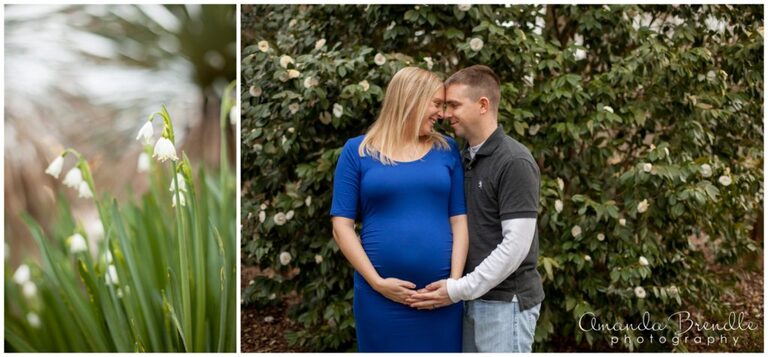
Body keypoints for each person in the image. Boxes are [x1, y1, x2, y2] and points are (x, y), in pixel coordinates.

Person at [330, 67, 468, 352]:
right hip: (378, 299)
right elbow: (341, 226)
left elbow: (459, 221)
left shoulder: (448, 149)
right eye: (436, 104)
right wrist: (378, 283)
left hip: (440, 300)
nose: (440, 114)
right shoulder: (357, 151)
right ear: (411, 100)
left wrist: (452, 286)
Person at [407, 65, 544, 352]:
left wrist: (457, 289)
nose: (445, 114)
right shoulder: (462, 158)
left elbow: (515, 247)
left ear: (483, 105)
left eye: (454, 105)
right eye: (444, 106)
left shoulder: (513, 161)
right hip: (470, 298)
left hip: (504, 303)